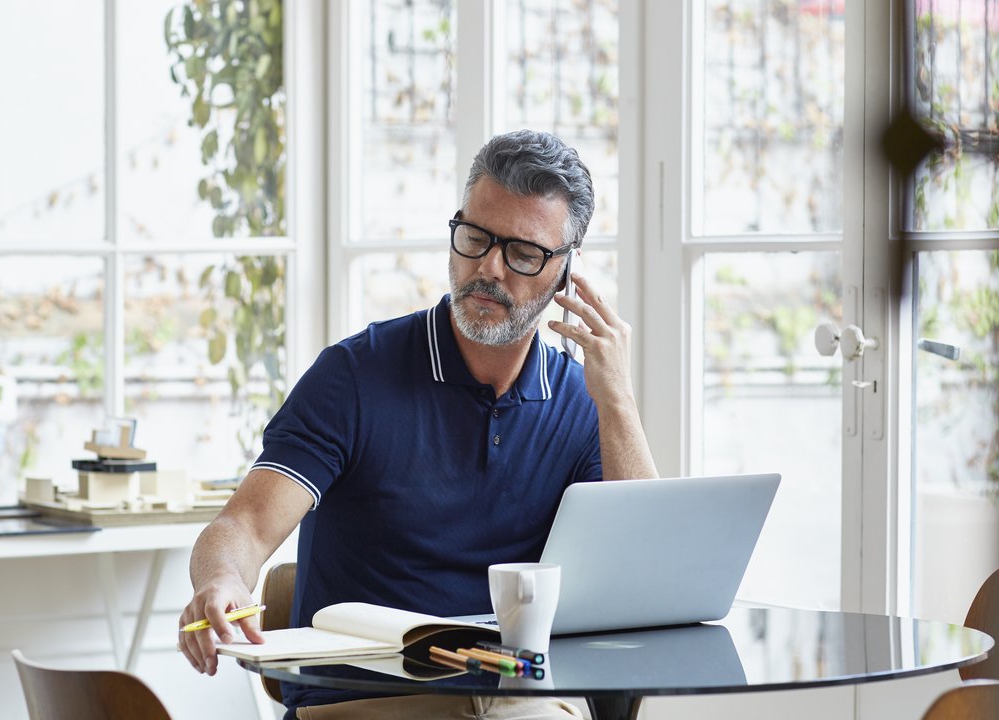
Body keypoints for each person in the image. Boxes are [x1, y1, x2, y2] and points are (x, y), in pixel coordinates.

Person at [178, 129, 658, 719]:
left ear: (566, 272)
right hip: (370, 701)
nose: (488, 268)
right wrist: (222, 582)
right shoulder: (354, 376)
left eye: (524, 253)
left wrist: (618, 402)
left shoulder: (583, 402)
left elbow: (642, 584)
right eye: (475, 238)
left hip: (518, 697)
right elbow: (246, 525)